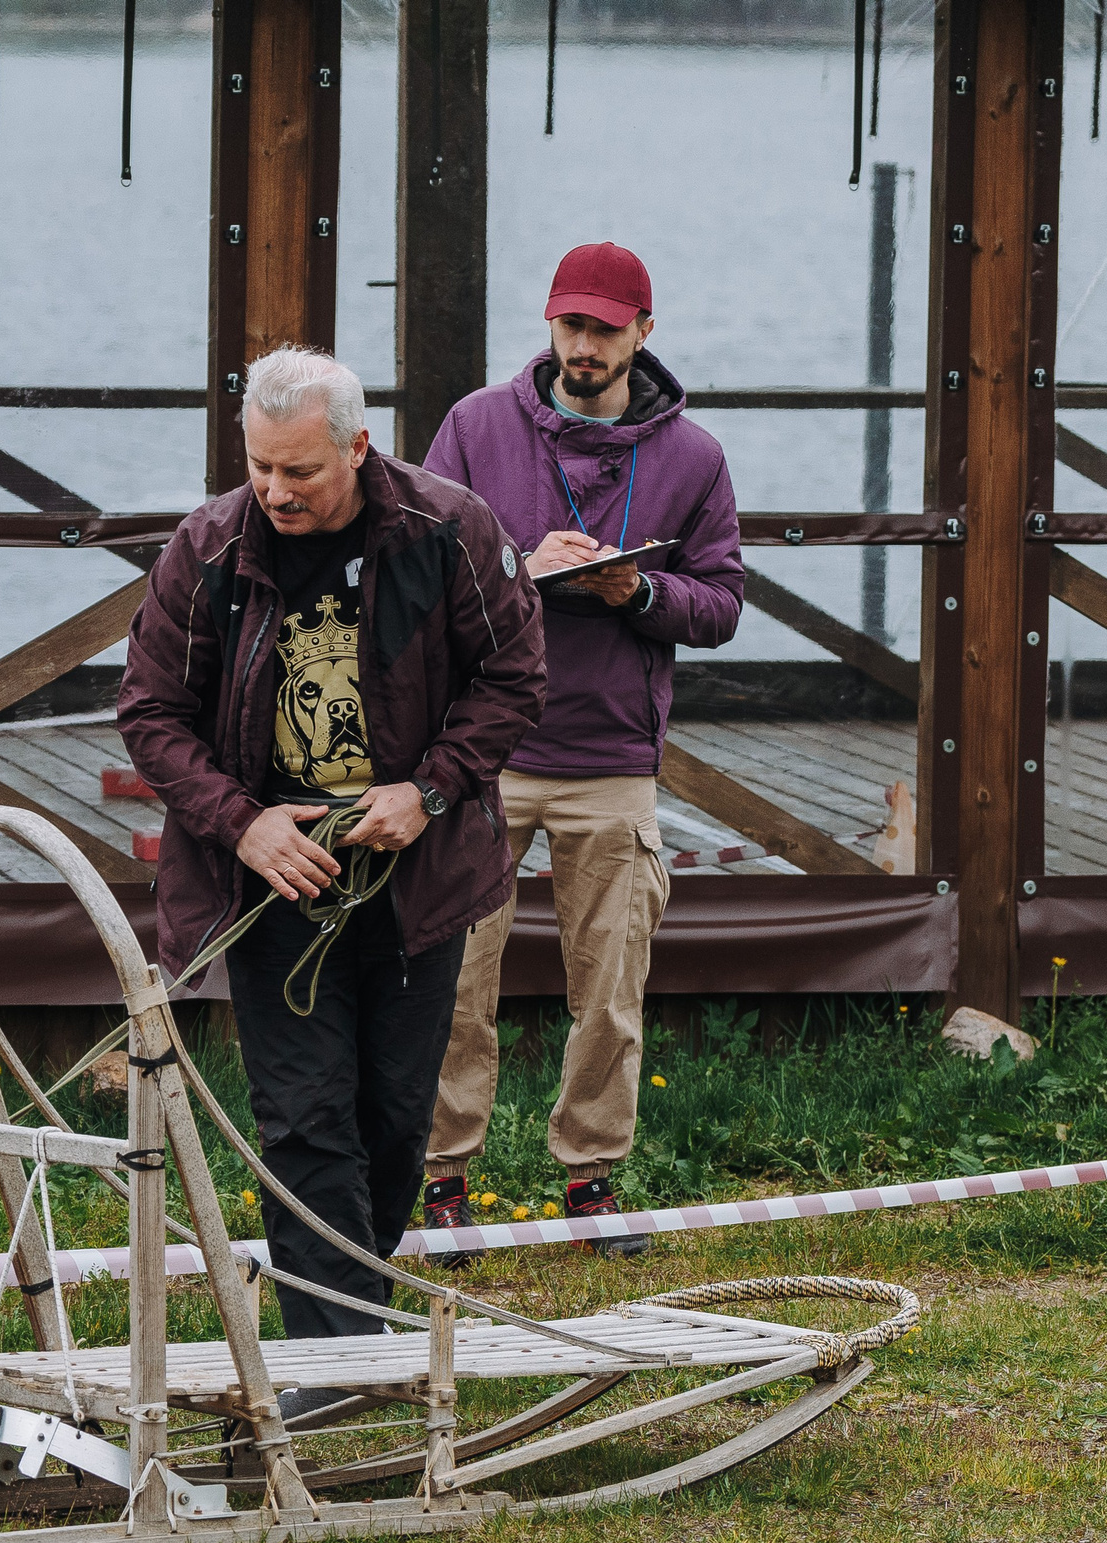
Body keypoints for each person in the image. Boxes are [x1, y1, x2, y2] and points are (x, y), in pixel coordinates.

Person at [118, 346, 544, 1370]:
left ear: (357, 447)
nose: (275, 491)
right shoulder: (208, 549)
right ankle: (337, 1361)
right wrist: (242, 821)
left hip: (417, 883)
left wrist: (429, 790)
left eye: (299, 471)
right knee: (306, 1121)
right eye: (260, 467)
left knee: (394, 1122)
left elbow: (515, 676)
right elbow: (150, 711)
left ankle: (353, 1320)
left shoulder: (451, 531)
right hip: (276, 886)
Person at [417, 241, 747, 1256]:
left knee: (609, 987)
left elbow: (723, 603)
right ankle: (436, 1177)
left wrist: (635, 590)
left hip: (610, 761)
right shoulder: (475, 426)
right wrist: (519, 567)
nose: (585, 345)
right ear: (549, 323)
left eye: (606, 329)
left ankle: (592, 1177)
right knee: (448, 976)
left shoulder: (694, 457)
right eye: (571, 324)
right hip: (480, 751)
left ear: (644, 332)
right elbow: (414, 561)